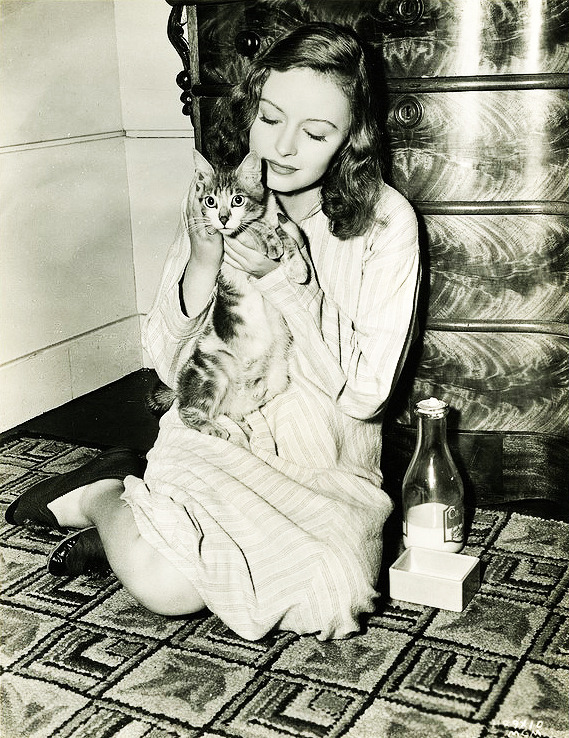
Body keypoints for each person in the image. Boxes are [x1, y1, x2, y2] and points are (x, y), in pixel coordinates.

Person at [5, 23, 420, 641]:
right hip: (218, 422)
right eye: (269, 117)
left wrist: (286, 279)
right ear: (248, 109)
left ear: (349, 142)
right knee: (167, 590)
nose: (282, 148)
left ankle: (150, 518)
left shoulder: (385, 222)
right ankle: (105, 496)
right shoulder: (220, 197)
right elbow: (167, 363)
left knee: (335, 594)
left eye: (315, 133)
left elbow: (363, 397)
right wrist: (203, 262)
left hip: (323, 449)